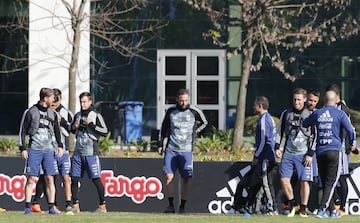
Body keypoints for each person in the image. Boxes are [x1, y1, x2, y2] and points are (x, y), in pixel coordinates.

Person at [302, 90, 357, 218]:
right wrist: (352, 143)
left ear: (324, 101)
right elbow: (350, 130)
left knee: (326, 182)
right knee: (331, 182)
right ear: (335, 100)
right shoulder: (340, 114)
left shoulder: (317, 113)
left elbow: (305, 124)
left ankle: (332, 210)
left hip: (320, 152)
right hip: (334, 151)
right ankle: (322, 210)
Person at [157, 89, 208, 214]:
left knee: (185, 179)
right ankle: (170, 205)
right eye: (181, 101)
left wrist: (195, 132)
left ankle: (182, 206)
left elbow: (205, 123)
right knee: (168, 176)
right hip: (171, 149)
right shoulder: (171, 111)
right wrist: (160, 144)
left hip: (186, 150)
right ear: (177, 100)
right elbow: (164, 128)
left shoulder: (194, 111)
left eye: (186, 100)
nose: (184, 103)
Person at [18, 87, 64, 214]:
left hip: (49, 150)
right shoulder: (31, 111)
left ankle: (51, 207)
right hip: (34, 150)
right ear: (45, 98)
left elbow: (57, 131)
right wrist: (23, 148)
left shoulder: (52, 113)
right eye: (51, 97)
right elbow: (23, 131)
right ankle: (27, 207)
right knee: (31, 178)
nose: (53, 100)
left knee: (50, 178)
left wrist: (60, 145)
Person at [232, 96, 277, 216]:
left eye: (254, 105)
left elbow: (264, 140)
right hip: (267, 156)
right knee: (256, 183)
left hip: (265, 157)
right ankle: (250, 207)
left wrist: (256, 156)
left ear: (260, 106)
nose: (253, 107)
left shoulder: (263, 120)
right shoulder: (270, 119)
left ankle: (272, 208)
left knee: (266, 183)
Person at [275, 88, 315, 217]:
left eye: (299, 99)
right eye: (294, 99)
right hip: (288, 153)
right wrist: (277, 147)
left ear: (304, 99)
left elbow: (315, 135)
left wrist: (310, 153)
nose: (296, 102)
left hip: (303, 154)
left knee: (304, 181)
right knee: (284, 180)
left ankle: (303, 208)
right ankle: (292, 204)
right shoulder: (286, 113)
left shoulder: (310, 114)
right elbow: (279, 131)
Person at [70, 92, 109, 213]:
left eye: (85, 102)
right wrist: (74, 126)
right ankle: (75, 204)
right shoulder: (77, 114)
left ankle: (102, 205)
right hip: (78, 152)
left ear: (90, 102)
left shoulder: (96, 115)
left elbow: (105, 131)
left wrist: (91, 124)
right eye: (81, 102)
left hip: (91, 152)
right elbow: (71, 130)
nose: (82, 104)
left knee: (96, 179)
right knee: (74, 179)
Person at [325, 84, 358, 216]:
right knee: (330, 177)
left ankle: (342, 207)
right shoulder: (328, 108)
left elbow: (349, 129)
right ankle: (333, 206)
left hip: (340, 149)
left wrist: (351, 144)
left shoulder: (343, 109)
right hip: (329, 148)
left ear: (337, 96)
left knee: (342, 176)